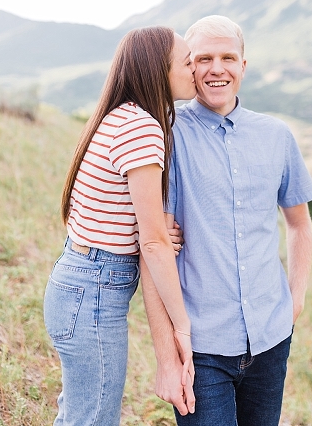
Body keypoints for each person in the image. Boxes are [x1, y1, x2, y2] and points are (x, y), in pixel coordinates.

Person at [141, 15, 312, 425]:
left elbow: (299, 224)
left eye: (227, 57)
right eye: (203, 58)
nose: (216, 68)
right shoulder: (166, 136)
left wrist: (297, 296)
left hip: (271, 338)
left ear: (243, 66)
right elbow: (154, 250)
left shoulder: (276, 136)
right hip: (201, 348)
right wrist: (167, 358)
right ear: (188, 66)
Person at [43, 27, 197, 426]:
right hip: (92, 292)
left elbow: (136, 221)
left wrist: (159, 230)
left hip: (79, 284)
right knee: (93, 418)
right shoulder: (142, 128)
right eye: (186, 62)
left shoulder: (122, 117)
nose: (195, 70)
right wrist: (183, 327)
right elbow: (152, 244)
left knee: (80, 414)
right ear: (158, 71)